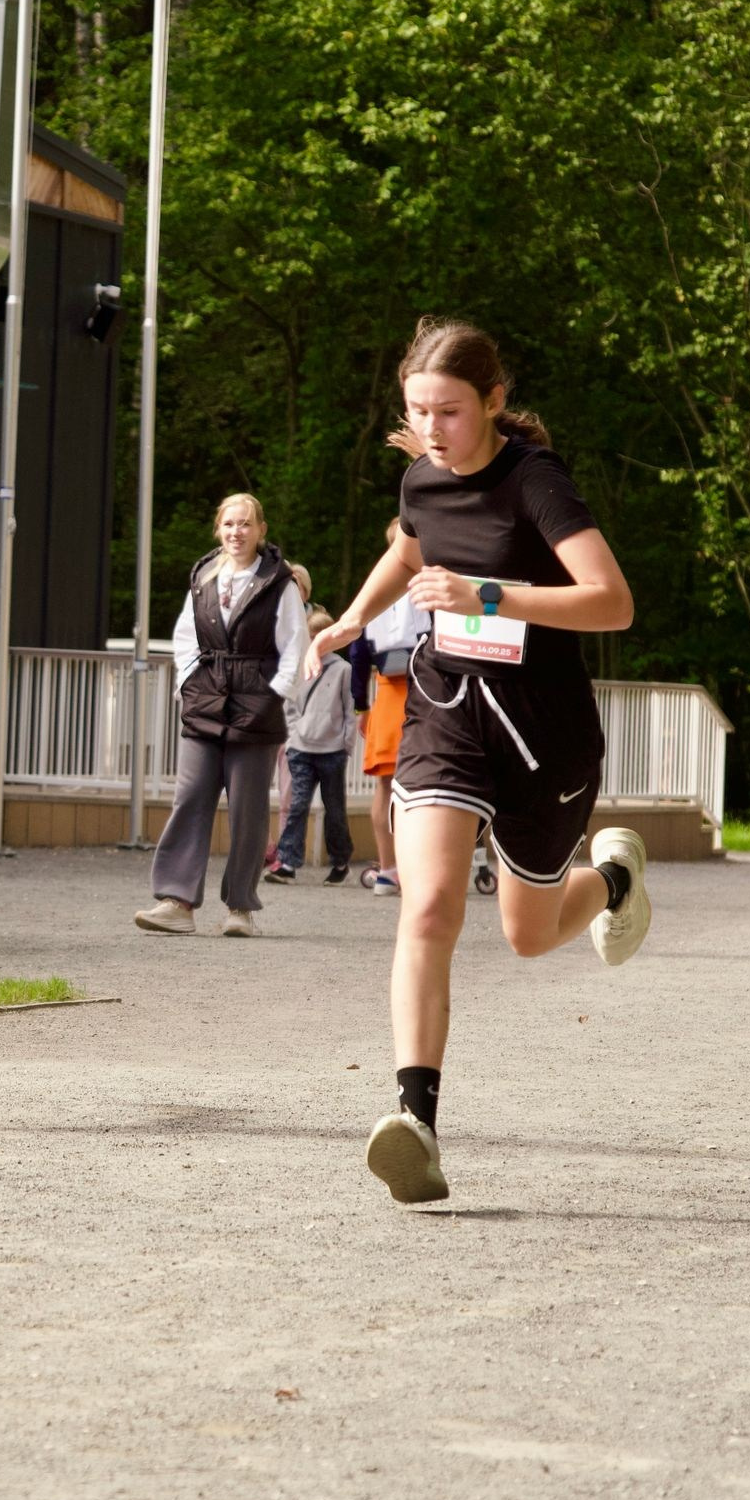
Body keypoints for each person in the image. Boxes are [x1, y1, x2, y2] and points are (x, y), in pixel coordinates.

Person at [307, 319, 650, 1206]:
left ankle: (611, 882)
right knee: (426, 905)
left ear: (494, 402)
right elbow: (412, 545)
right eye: (417, 411)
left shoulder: (535, 482)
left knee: (529, 935)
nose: (431, 429)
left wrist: (490, 594)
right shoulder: (420, 475)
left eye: (449, 411)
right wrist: (351, 617)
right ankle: (415, 1121)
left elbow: (612, 602)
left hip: (542, 730)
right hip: (448, 710)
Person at [133, 494, 309, 939]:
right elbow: (185, 638)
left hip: (256, 708)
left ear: (261, 530)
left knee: (248, 811)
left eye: (246, 523)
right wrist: (188, 687)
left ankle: (240, 909)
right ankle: (175, 901)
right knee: (190, 797)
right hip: (206, 702)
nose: (237, 531)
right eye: (229, 523)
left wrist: (272, 698)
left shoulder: (280, 582)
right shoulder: (204, 576)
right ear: (218, 529)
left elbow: (295, 648)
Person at [358, 518, 431, 897]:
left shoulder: (377, 581)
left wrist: (359, 705)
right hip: (426, 688)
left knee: (385, 785)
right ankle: (417, 870)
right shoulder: (428, 578)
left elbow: (357, 647)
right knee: (425, 783)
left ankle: (387, 870)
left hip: (384, 688)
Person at [266, 604, 354, 884]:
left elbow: (350, 709)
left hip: (332, 750)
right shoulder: (300, 666)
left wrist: (346, 743)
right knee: (298, 805)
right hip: (301, 748)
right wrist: (293, 736)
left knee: (335, 809)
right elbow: (289, 705)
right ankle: (289, 863)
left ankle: (340, 861)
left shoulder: (343, 669)